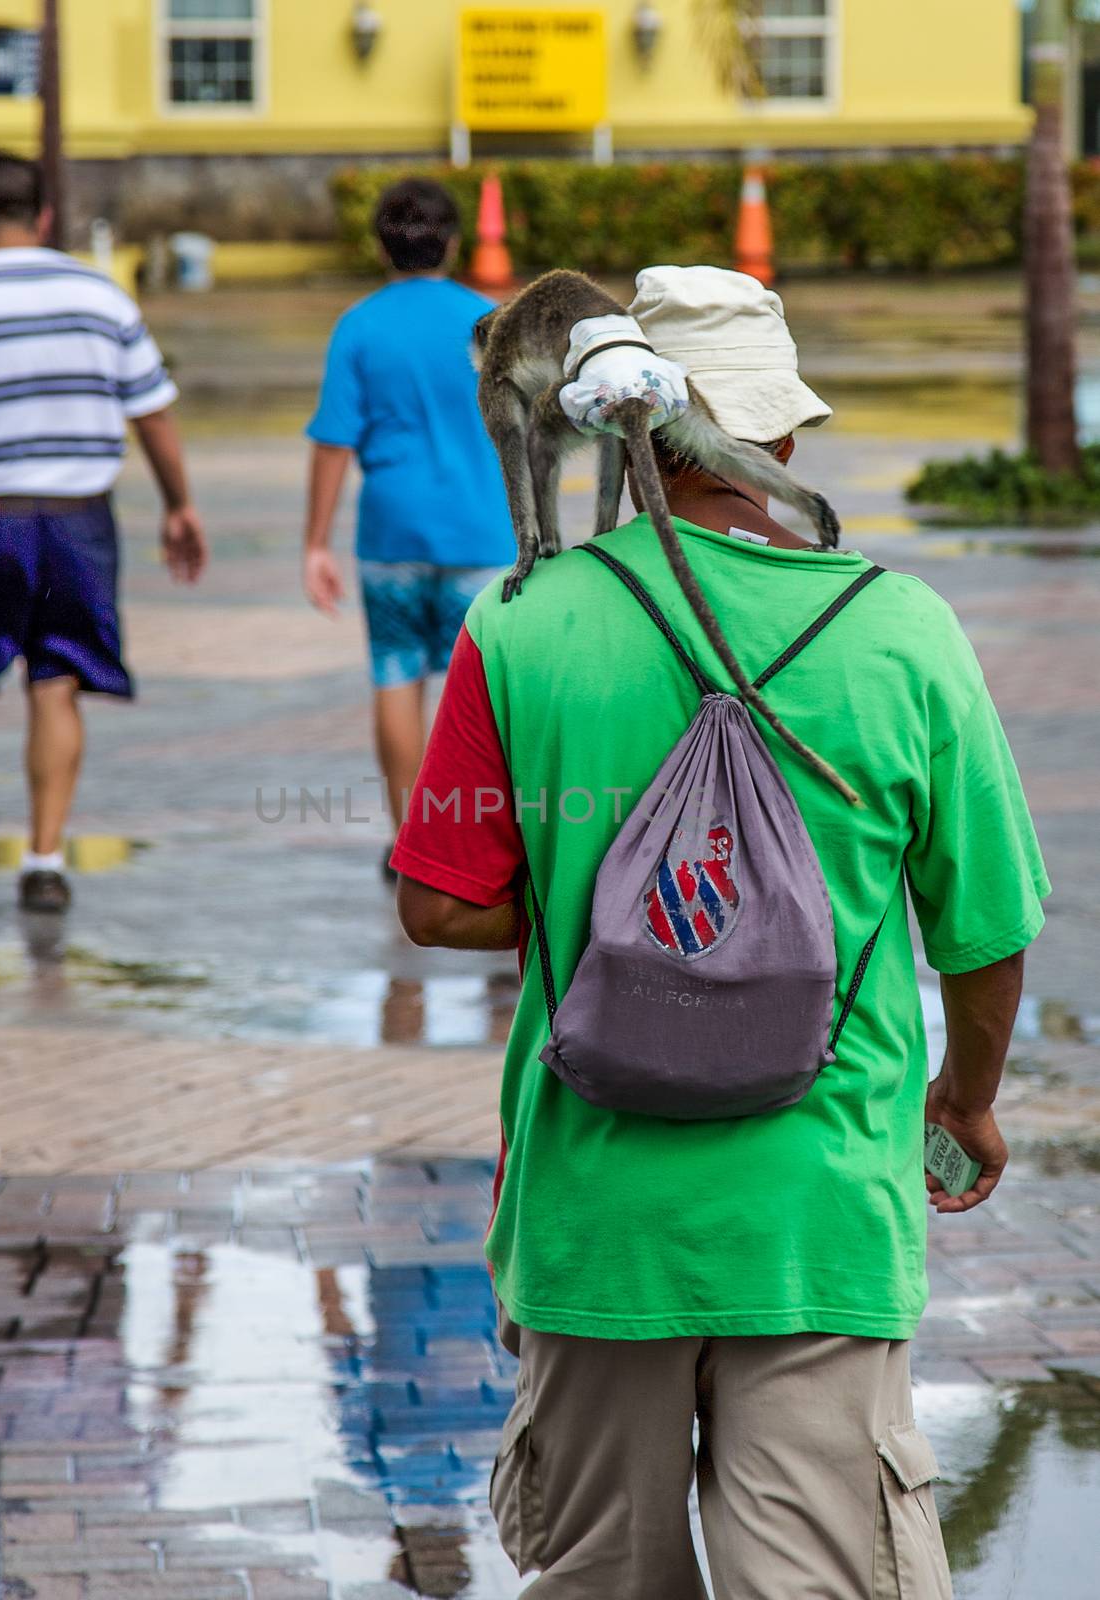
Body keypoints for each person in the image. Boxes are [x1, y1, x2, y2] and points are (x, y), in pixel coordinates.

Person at [390, 266, 1049, 1596]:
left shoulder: (524, 620)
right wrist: (966, 1098)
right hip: (815, 1218)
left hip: (590, 1221)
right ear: (784, 435)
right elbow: (982, 930)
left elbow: (439, 901)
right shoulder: (902, 630)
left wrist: (612, 896)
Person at [0, 150, 206, 914]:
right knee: (56, 683)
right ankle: (45, 863)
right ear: (45, 215)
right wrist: (179, 504)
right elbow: (151, 409)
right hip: (78, 523)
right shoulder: (99, 293)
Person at [301, 178, 514, 874]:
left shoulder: (359, 325)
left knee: (395, 678)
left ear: (380, 245)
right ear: (453, 241)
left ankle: (409, 844)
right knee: (483, 698)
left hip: (390, 532)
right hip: (482, 533)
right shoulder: (490, 323)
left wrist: (314, 543)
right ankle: (485, 845)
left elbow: (334, 439)